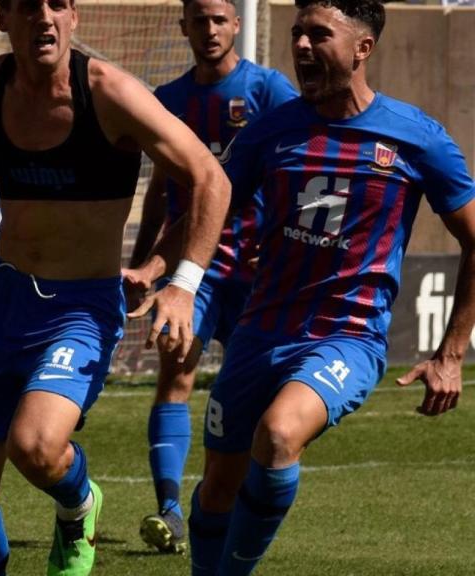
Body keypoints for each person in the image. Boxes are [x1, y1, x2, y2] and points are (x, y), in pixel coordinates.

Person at [0, 1, 231, 574]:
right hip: (4, 299)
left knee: (34, 446)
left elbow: (211, 178)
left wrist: (179, 282)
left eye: (58, 3)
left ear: (75, 16)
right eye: (29, 5)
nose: (45, 17)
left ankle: (80, 503)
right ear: (3, 16)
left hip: (81, 306)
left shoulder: (108, 91)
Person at [134, 0, 475, 573]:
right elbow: (207, 205)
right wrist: (161, 273)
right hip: (260, 333)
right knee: (218, 488)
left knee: (277, 435)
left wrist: (451, 355)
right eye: (297, 33)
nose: (301, 46)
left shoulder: (417, 139)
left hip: (346, 337)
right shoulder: (272, 130)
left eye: (319, 34)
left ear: (363, 48)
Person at [125, 0, 297, 555]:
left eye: (220, 19)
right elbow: (160, 191)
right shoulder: (169, 101)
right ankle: (171, 510)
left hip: (256, 273)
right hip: (191, 273)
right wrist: (145, 260)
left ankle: (237, 498)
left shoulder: (268, 91)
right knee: (175, 370)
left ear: (237, 24)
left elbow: (299, 169)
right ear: (185, 27)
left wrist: (279, 242)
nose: (210, 30)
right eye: (199, 20)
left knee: (264, 399)